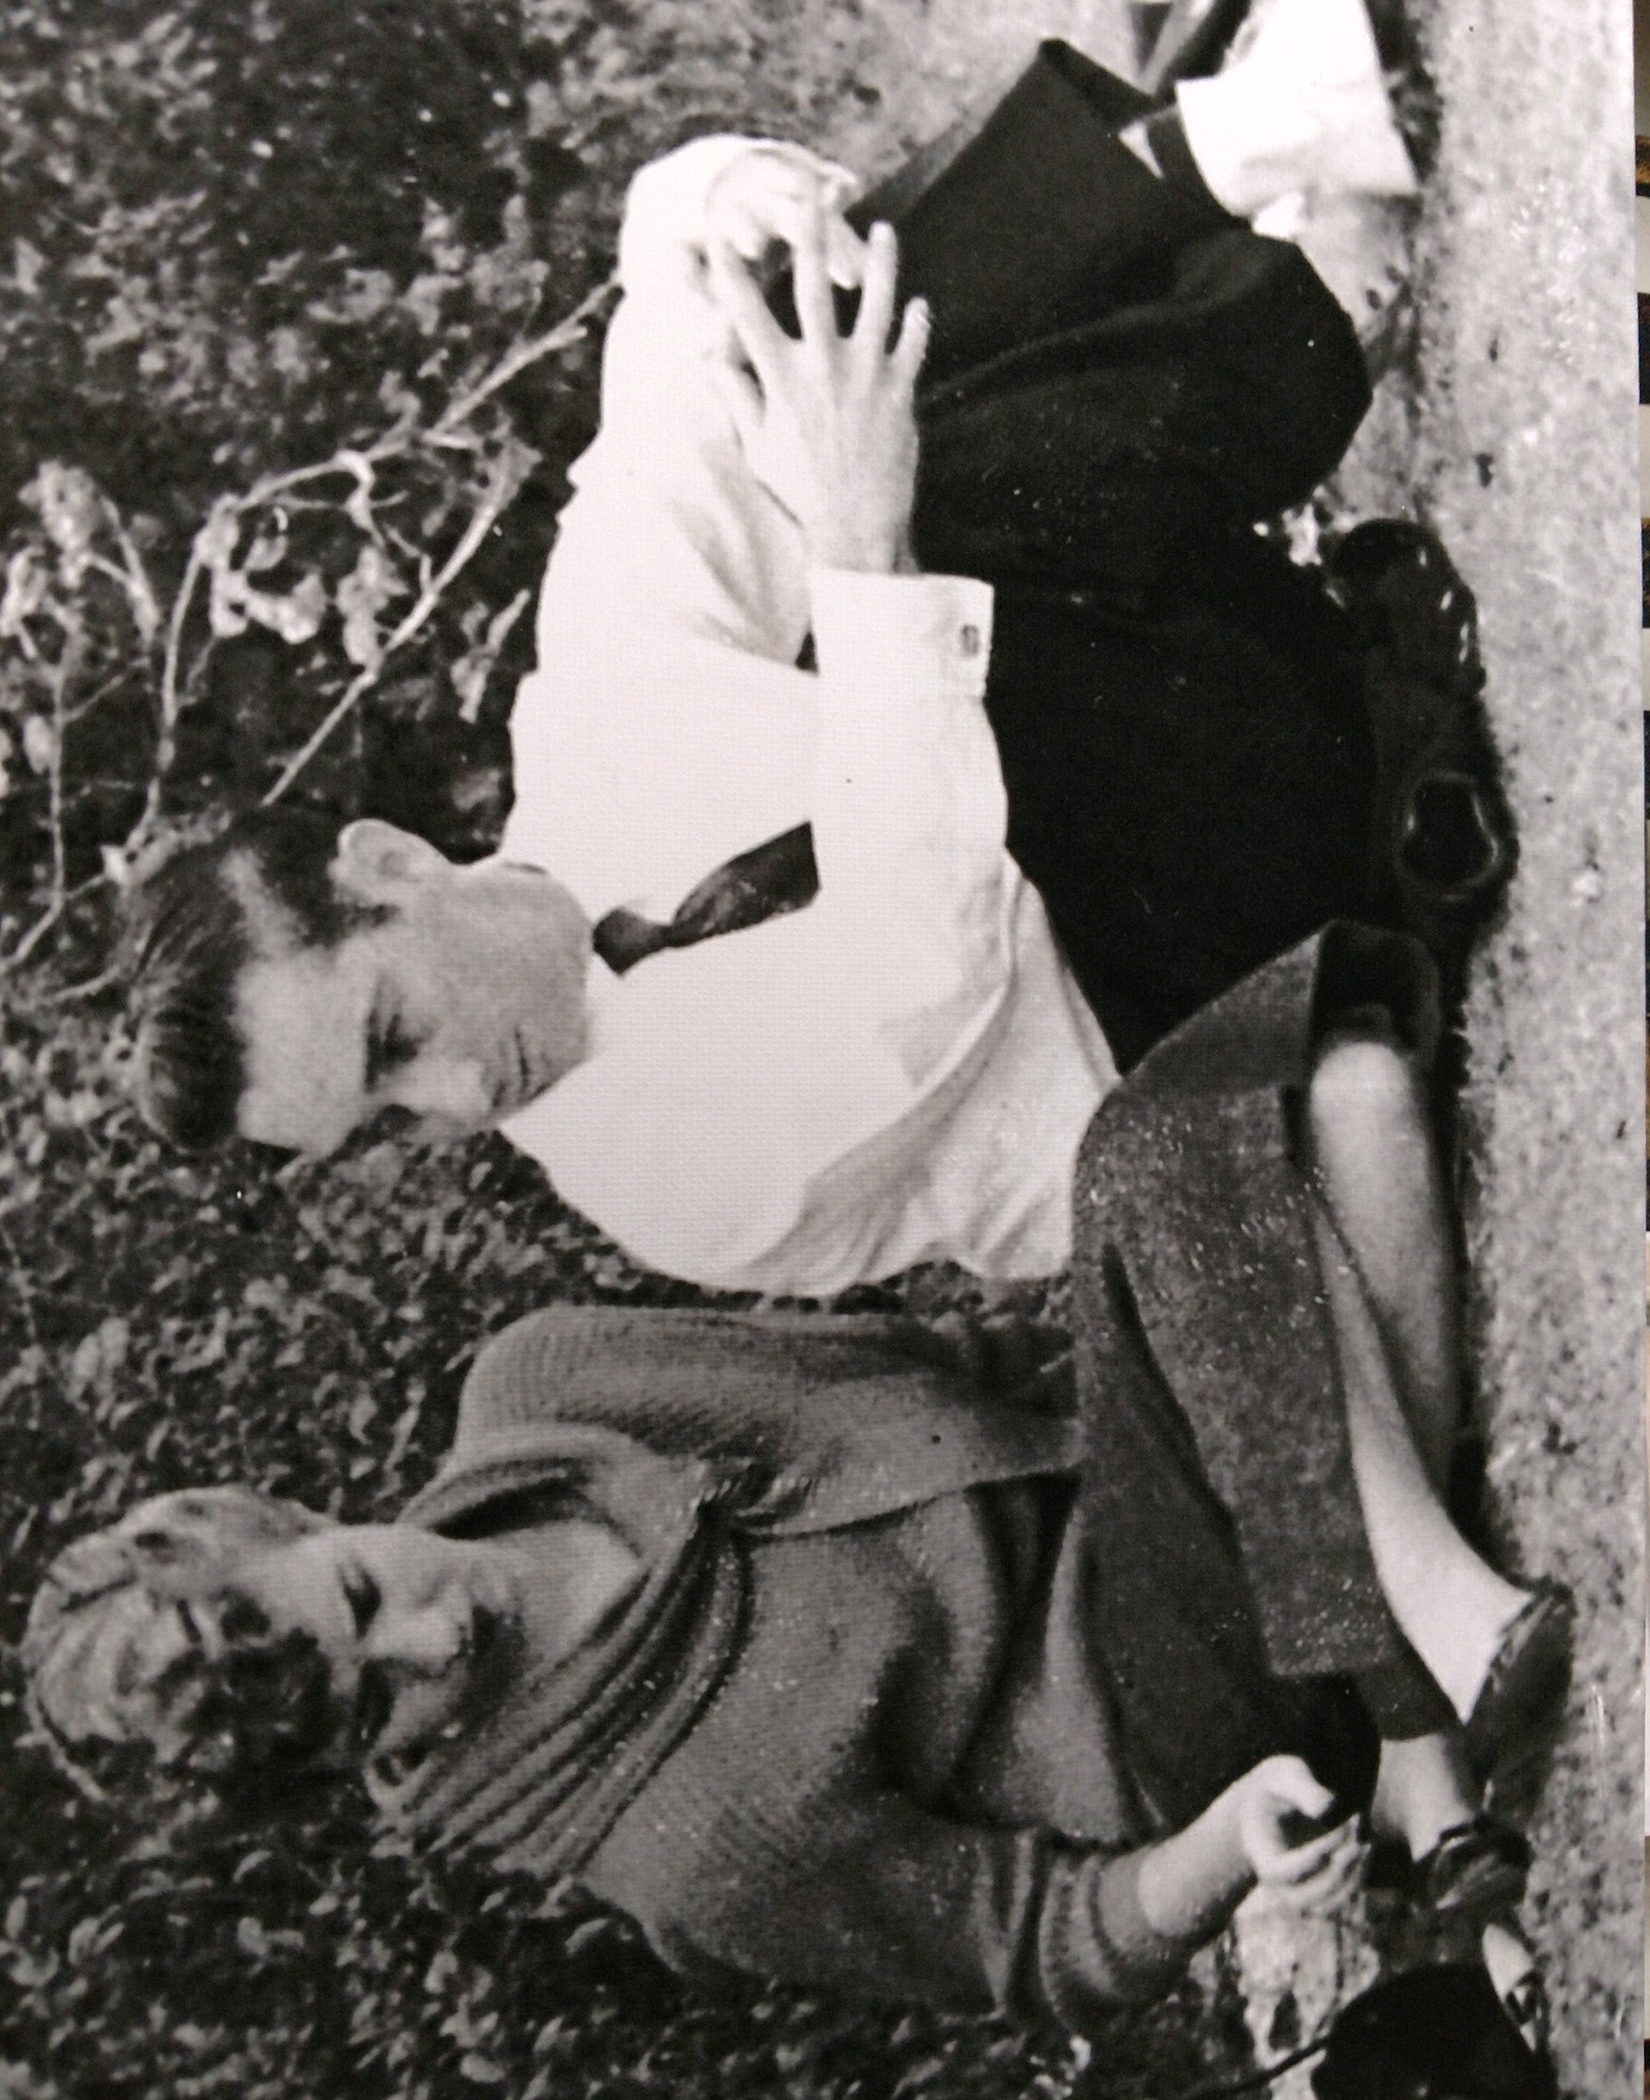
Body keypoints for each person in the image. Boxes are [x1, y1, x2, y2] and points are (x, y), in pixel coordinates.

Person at [117, 2, 1510, 1297]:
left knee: (800, 371)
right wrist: (858, 541)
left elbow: (665, 407)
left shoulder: (585, 741)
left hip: (1200, 747)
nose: (458, 1100)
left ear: (387, 863)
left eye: (392, 1039)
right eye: (386, 1120)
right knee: (891, 552)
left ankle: (1277, 148)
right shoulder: (656, 1182)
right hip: (1207, 995)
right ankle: (1306, 240)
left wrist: (712, 207)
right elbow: (933, 965)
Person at [27, 927, 1570, 2038]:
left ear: (280, 1518)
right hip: (1177, 1708)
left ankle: (1406, 1697)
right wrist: (1225, 1850)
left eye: (363, 1597)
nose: (431, 1640)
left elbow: (947, 1362)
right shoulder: (687, 1853)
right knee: (1165, 1163)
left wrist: (1190, 1349)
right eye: (381, 1707)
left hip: (1150, 1491)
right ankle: (1419, 1669)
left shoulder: (543, 1383)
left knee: (1349, 1088)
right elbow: (1037, 1945)